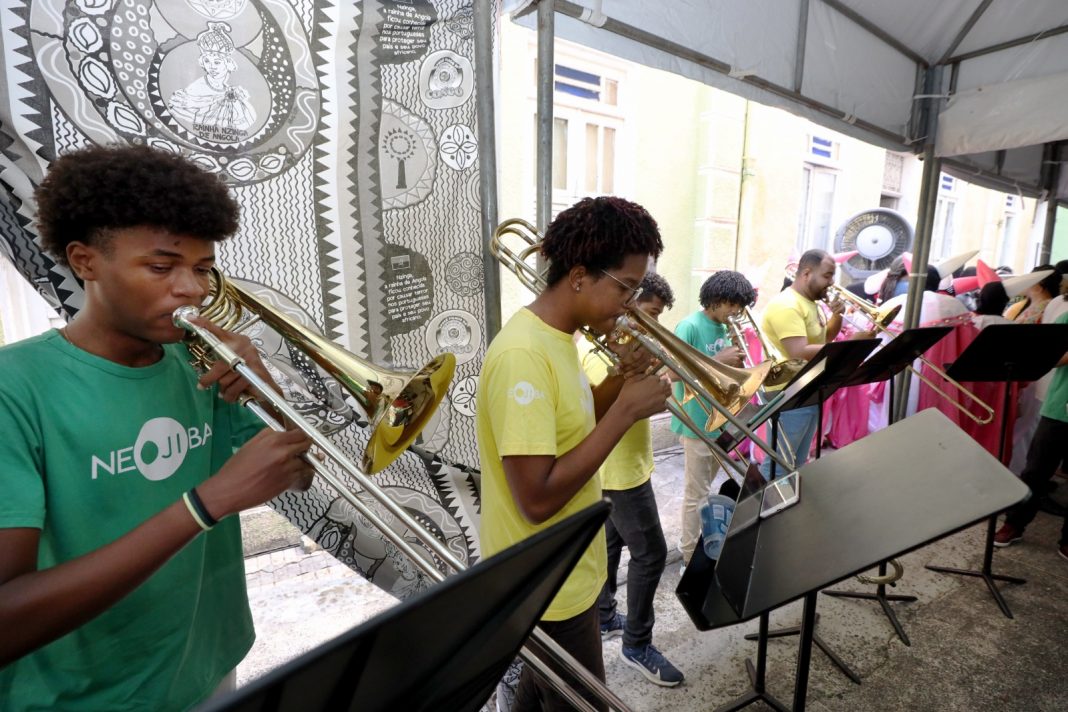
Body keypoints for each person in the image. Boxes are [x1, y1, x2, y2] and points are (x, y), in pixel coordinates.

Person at [0, 144, 313, 710]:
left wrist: (268, 393)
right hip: (80, 699)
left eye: (202, 269)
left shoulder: (199, 361)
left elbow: (299, 476)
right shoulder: (13, 388)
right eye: (162, 267)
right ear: (85, 261)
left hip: (209, 664)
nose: (192, 289)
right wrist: (205, 504)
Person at [476, 196, 673, 710]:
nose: (630, 304)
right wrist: (625, 413)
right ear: (580, 276)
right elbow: (535, 500)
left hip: (568, 569)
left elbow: (572, 428)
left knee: (539, 697)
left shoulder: (560, 337)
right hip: (546, 584)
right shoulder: (524, 355)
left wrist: (620, 379)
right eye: (625, 287)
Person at [580, 272, 684, 688]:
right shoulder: (600, 353)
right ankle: (637, 645)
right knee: (651, 553)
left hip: (624, 465)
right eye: (650, 313)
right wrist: (655, 378)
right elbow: (608, 409)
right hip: (620, 472)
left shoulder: (623, 348)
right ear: (628, 306)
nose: (655, 324)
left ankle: (605, 616)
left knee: (612, 543)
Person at [759, 250, 873, 478]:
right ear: (806, 273)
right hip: (788, 391)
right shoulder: (787, 305)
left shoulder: (811, 303)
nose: (831, 282)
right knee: (779, 464)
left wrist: (837, 316)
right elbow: (799, 352)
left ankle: (784, 498)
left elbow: (825, 338)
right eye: (827, 276)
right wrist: (850, 344)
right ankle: (764, 499)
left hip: (807, 388)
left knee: (797, 461)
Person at [668, 270, 754, 564]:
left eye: (740, 306)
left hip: (722, 421)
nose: (735, 311)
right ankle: (688, 555)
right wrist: (718, 360)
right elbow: (672, 372)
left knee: (706, 489)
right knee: (698, 494)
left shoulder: (726, 328)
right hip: (696, 422)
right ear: (715, 299)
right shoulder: (690, 326)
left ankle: (701, 544)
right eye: (731, 304)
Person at [993, 310, 1068, 561]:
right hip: (1060, 408)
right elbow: (1047, 357)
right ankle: (1014, 523)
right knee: (1036, 471)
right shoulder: (1066, 317)